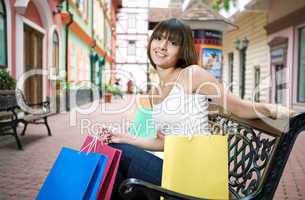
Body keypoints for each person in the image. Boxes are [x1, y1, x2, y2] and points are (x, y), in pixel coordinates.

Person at [102, 18, 291, 199]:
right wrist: (123, 137)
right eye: (158, 38)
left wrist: (271, 109)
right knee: (115, 152)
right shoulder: (155, 90)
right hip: (174, 167)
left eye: (172, 43)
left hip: (193, 174)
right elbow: (162, 141)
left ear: (182, 50)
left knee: (116, 155)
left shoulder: (192, 74)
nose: (162, 46)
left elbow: (239, 108)